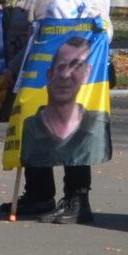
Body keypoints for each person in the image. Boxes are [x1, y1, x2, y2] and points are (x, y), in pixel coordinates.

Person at [17, 0, 113, 222]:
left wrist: (95, 29)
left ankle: (78, 199)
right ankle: (56, 196)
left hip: (80, 67)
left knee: (76, 136)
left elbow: (99, 26)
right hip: (55, 62)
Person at [18, 32, 106, 167]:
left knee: (78, 178)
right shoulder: (30, 127)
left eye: (76, 66)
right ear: (49, 74)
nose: (65, 75)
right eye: (61, 66)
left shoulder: (98, 124)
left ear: (87, 73)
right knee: (38, 181)